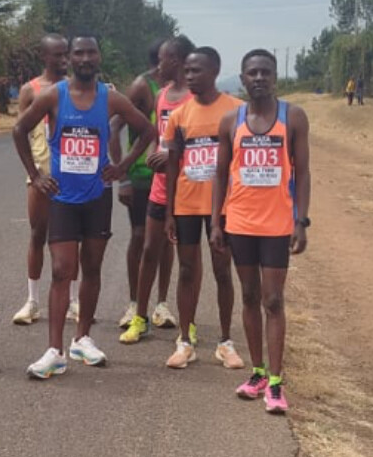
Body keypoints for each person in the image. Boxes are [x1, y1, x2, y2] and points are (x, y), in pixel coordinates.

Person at [13, 34, 156, 380]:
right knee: (63, 270)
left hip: (96, 197)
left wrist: (123, 166)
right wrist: (35, 175)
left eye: (92, 52)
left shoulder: (111, 98)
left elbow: (147, 130)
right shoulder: (53, 95)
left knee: (92, 268)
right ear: (70, 58)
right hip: (63, 198)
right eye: (79, 53)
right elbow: (20, 129)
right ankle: (54, 351)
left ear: (99, 57)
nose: (86, 58)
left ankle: (82, 339)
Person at [212, 49, 311, 415]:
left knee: (273, 301)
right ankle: (256, 373)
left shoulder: (293, 117)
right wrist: (216, 222)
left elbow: (303, 172)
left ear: (275, 77)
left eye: (265, 72)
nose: (259, 78)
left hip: (277, 224)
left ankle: (276, 382)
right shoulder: (230, 121)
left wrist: (302, 221)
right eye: (252, 73)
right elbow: (220, 174)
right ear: (242, 79)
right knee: (250, 296)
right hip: (239, 223)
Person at [162, 47, 244, 369]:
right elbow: (172, 165)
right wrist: (169, 212)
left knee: (223, 271)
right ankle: (185, 341)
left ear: (215, 71)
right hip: (186, 204)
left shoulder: (236, 110)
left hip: (223, 206)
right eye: (187, 70)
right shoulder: (180, 115)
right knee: (186, 271)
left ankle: (225, 342)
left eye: (197, 70)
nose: (190, 76)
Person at [119, 35, 195, 344]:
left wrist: (174, 156)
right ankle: (138, 312)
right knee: (146, 245)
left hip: (187, 186)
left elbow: (201, 142)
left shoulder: (196, 97)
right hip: (152, 183)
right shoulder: (154, 92)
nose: (159, 65)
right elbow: (155, 134)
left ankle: (177, 316)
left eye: (163, 59)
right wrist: (134, 167)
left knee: (180, 252)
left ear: (175, 60)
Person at [111, 40, 176, 328]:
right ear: (161, 60)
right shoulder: (142, 86)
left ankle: (162, 304)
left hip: (172, 176)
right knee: (140, 237)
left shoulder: (181, 91)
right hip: (141, 176)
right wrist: (123, 175)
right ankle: (134, 304)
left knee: (168, 239)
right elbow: (114, 127)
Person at [11, 33, 72, 326]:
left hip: (70, 174)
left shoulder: (75, 88)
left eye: (65, 54)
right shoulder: (30, 90)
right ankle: (32, 301)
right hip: (41, 175)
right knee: (37, 234)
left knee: (72, 238)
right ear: (43, 57)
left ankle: (73, 301)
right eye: (57, 55)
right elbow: (20, 132)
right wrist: (34, 175)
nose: (63, 60)